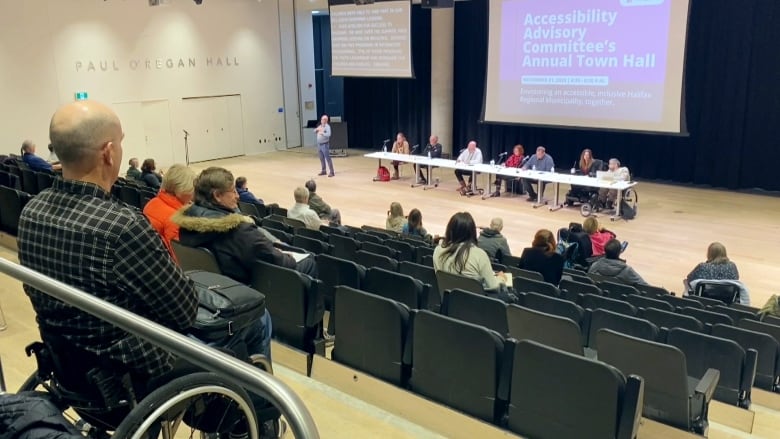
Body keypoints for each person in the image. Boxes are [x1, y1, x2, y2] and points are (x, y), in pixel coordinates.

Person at [17, 101, 274, 435]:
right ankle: (253, 424)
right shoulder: (121, 227)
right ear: (108, 152)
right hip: (129, 379)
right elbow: (182, 312)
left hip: (67, 367)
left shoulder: (31, 212)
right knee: (257, 319)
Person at [173, 167, 317, 280]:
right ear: (217, 196)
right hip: (245, 284)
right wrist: (288, 257)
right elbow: (276, 260)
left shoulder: (187, 224)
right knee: (309, 261)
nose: (237, 195)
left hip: (216, 282)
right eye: (232, 191)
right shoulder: (238, 230)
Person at [434, 212, 514, 301]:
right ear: (472, 232)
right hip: (474, 308)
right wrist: (501, 279)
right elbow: (494, 287)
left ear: (450, 230)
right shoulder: (479, 254)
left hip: (446, 303)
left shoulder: (438, 250)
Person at [143, 164, 197, 256]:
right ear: (182, 190)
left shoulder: (152, 202)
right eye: (192, 189)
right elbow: (178, 257)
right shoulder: (176, 219)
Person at [685, 242, 749, 303]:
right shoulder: (732, 266)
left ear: (709, 254)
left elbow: (689, 279)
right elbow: (736, 279)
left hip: (704, 300)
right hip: (726, 301)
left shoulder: (702, 266)